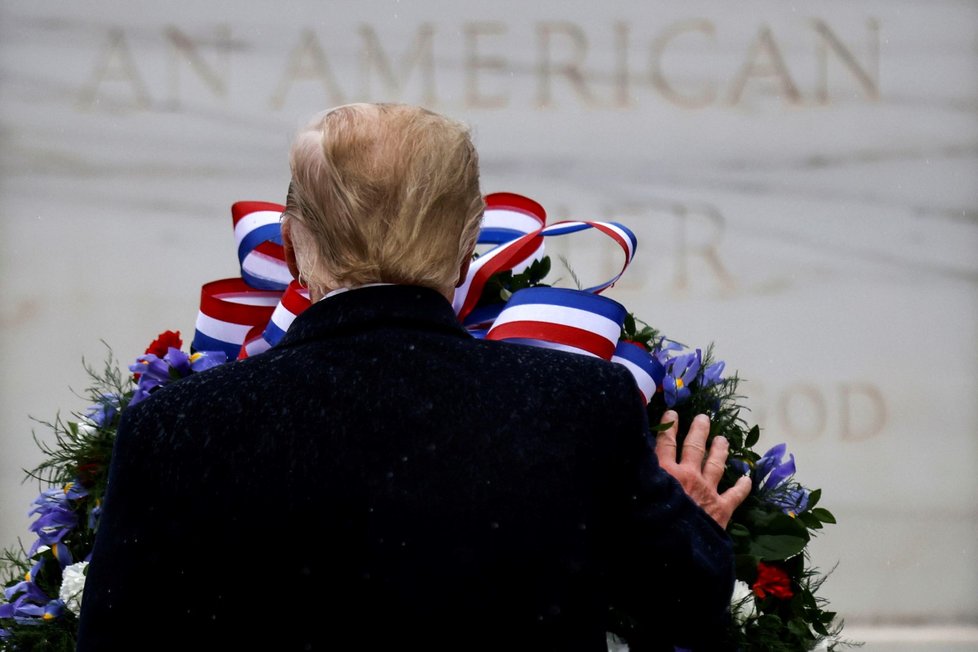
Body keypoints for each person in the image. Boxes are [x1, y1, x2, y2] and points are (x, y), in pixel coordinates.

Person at [76, 103, 750, 651]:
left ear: (289, 248)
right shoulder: (582, 405)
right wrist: (689, 526)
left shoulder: (176, 429)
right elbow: (684, 602)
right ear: (467, 249)